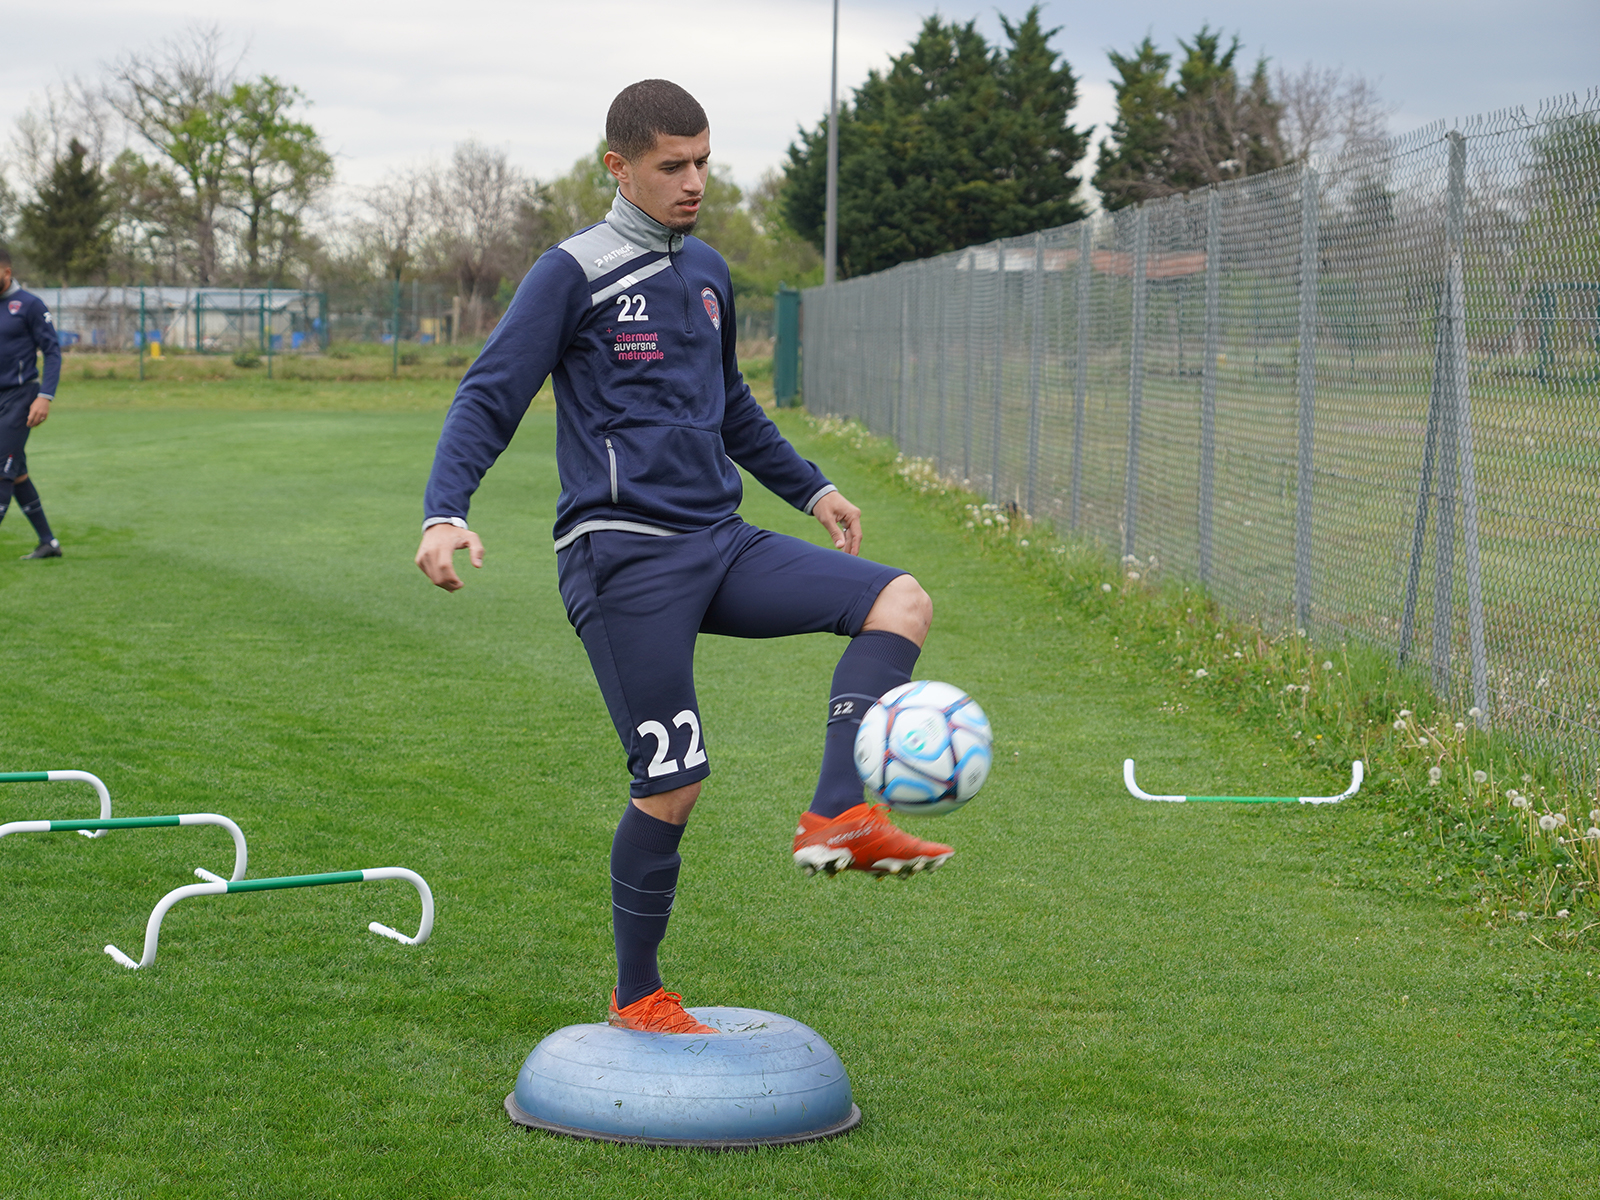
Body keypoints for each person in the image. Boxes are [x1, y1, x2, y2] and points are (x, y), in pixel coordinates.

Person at [416, 80, 954, 1035]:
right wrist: (443, 513)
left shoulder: (706, 271)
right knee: (673, 782)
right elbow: (490, 393)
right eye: (673, 164)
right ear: (619, 168)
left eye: (704, 160)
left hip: (722, 541)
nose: (694, 180)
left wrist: (814, 489)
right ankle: (637, 994)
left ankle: (838, 817)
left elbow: (733, 406)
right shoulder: (571, 273)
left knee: (900, 601)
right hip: (623, 558)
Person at [0, 245, 63, 558]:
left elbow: (52, 352)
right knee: (17, 471)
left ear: (7, 272)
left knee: (1, 468)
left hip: (21, 396)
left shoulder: (30, 305)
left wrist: (45, 396)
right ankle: (48, 543)